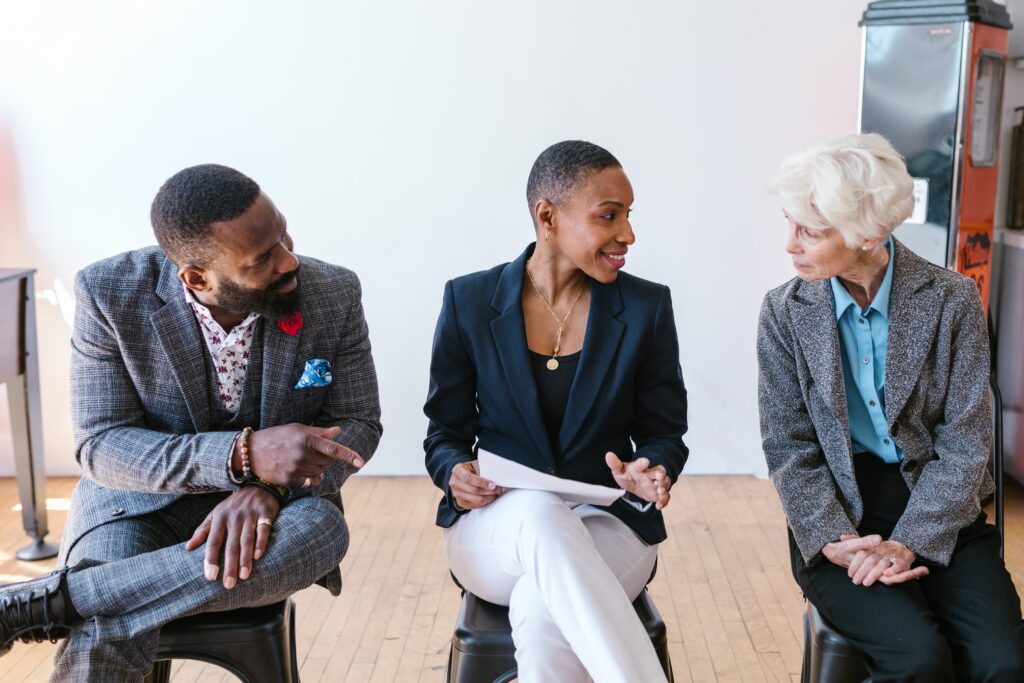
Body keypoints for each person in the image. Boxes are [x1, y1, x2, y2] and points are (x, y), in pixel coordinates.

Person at [0, 164, 382, 681]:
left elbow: (358, 419)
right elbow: (101, 444)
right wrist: (240, 455)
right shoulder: (108, 293)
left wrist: (267, 485)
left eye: (283, 235)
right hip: (131, 508)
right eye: (263, 257)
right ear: (196, 278)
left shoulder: (333, 292)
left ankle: (48, 602)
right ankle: (86, 597)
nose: (289, 259)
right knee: (104, 629)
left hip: (280, 514)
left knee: (319, 532)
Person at [758, 133, 1024, 681]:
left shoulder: (952, 300)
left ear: (867, 234)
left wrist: (911, 542)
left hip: (942, 504)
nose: (790, 245)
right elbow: (788, 445)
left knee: (1004, 662)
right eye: (790, 224)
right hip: (840, 514)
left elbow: (966, 441)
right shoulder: (783, 313)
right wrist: (834, 539)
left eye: (809, 230)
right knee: (918, 660)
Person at [424, 140, 688, 682]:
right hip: (494, 528)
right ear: (547, 216)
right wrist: (455, 473)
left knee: (542, 609)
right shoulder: (468, 301)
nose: (628, 235)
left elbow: (665, 433)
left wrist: (652, 470)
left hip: (609, 526)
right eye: (607, 216)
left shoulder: (646, 307)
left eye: (628, 215)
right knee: (540, 513)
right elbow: (444, 433)